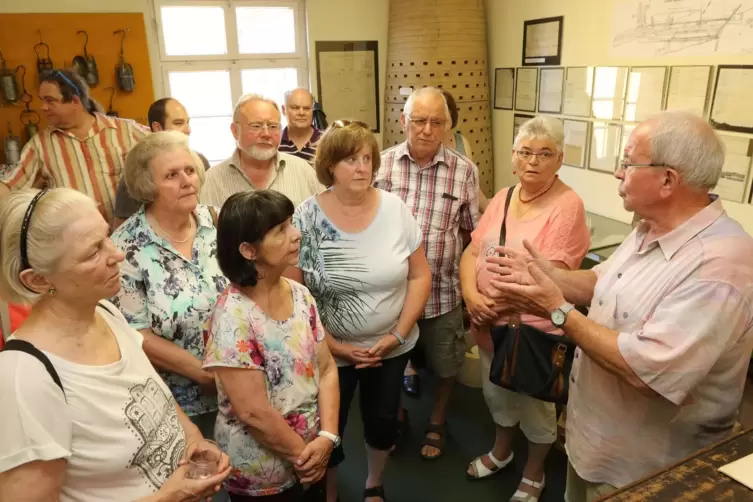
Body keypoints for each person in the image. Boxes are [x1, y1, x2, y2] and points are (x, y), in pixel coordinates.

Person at [487, 111, 753, 502]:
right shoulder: (649, 226)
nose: (618, 172)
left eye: (628, 162)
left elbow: (645, 371)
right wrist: (545, 273)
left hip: (646, 469)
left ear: (667, 180)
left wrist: (555, 309)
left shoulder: (719, 266)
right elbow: (600, 281)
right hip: (594, 445)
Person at [0, 187, 230, 501]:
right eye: (93, 251)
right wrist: (168, 498)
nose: (118, 254)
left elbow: (154, 396)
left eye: (107, 236)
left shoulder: (105, 312)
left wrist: (191, 438)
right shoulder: (24, 377)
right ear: (38, 280)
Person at [289, 120, 431, 502]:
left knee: (383, 421)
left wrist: (396, 336)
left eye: (367, 158)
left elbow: (419, 277)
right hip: (327, 351)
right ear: (330, 166)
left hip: (391, 347)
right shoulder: (306, 216)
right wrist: (333, 346)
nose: (362, 167)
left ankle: (374, 482)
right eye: (351, 159)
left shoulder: (395, 209)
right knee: (328, 425)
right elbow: (294, 292)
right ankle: (330, 490)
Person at [459, 116, 590, 501]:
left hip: (532, 332)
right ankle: (502, 451)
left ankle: (534, 473)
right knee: (497, 393)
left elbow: (552, 278)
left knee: (536, 407)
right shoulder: (503, 196)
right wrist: (471, 297)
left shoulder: (568, 206)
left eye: (544, 153)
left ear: (560, 159)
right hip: (489, 326)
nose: (533, 161)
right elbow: (472, 250)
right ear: (514, 157)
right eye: (525, 153)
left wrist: (492, 304)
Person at [204, 190, 339, 501]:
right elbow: (254, 413)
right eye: (281, 230)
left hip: (313, 454)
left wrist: (328, 437)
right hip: (263, 475)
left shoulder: (300, 295)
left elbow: (327, 369)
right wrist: (307, 457)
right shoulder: (232, 317)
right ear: (249, 250)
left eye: (291, 224)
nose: (296, 234)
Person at [376, 86, 480, 460]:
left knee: (446, 362)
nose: (426, 129)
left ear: (448, 127)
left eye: (436, 121)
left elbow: (470, 231)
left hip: (442, 294)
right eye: (418, 120)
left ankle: (437, 419)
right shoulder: (381, 165)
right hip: (390, 294)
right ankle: (399, 415)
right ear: (403, 121)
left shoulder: (465, 170)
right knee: (392, 363)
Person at [111, 131, 228, 440]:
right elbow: (136, 333)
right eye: (172, 175)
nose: (186, 180)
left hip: (239, 389)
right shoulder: (126, 247)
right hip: (175, 403)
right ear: (148, 186)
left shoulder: (216, 222)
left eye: (189, 170)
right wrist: (205, 374)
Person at [0, 69, 148, 225]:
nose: (43, 107)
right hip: (78, 243)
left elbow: (170, 145)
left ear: (75, 101)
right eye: (42, 100)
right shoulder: (40, 144)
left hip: (132, 237)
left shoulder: (126, 130)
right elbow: (11, 185)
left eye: (50, 100)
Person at [200, 94, 323, 209]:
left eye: (273, 126)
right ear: (234, 131)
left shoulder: (303, 171)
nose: (266, 134)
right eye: (256, 126)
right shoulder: (211, 181)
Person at [113, 97, 212, 228]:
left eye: (190, 171)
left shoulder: (200, 161)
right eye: (178, 123)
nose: (188, 130)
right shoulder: (139, 170)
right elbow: (121, 227)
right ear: (157, 127)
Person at [279, 88, 322, 165]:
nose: (301, 113)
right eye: (295, 108)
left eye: (307, 108)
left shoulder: (327, 141)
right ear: (283, 109)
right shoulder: (275, 142)